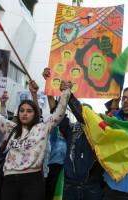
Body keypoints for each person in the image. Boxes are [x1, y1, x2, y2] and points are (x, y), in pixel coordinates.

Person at [0, 77, 71, 200]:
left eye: (29, 111)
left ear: (35, 114)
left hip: (32, 181)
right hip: (9, 181)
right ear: (18, 113)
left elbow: (59, 113)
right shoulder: (10, 128)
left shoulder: (43, 128)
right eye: (22, 110)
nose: (24, 113)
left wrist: (66, 92)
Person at [42, 67, 103, 200]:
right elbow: (55, 111)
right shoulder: (70, 129)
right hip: (70, 187)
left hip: (92, 187)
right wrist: (49, 86)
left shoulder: (99, 132)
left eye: (88, 114)